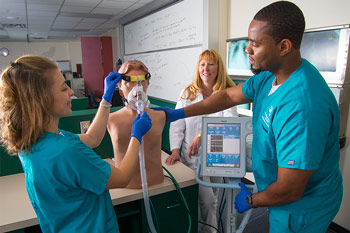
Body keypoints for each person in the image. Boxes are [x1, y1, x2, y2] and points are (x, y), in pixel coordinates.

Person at [154, 1, 343, 233]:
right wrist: (178, 113)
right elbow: (227, 97)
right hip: (280, 192)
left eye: (255, 43)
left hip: (301, 208)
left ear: (283, 46)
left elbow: (289, 190)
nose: (247, 49)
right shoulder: (268, 77)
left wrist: (252, 200)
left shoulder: (302, 107)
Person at [0, 55, 152, 232]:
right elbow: (123, 177)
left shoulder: (36, 140)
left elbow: (92, 138)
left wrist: (106, 99)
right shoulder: (66, 151)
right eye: (64, 88)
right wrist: (136, 135)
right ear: (41, 99)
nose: (71, 92)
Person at [166, 49, 238, 233]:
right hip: (192, 159)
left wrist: (201, 135)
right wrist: (174, 149)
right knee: (208, 202)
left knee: (210, 201)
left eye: (211, 64)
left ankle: (201, 229)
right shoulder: (188, 93)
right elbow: (177, 124)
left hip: (216, 158)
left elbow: (229, 125)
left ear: (218, 67)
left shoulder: (227, 92)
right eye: (202, 64)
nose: (206, 68)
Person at [107, 60, 165, 188]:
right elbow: (90, 139)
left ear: (147, 84)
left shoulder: (160, 116)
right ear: (120, 89)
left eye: (141, 82)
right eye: (130, 82)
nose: (137, 88)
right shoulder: (110, 119)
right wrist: (105, 100)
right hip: (125, 187)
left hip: (157, 184)